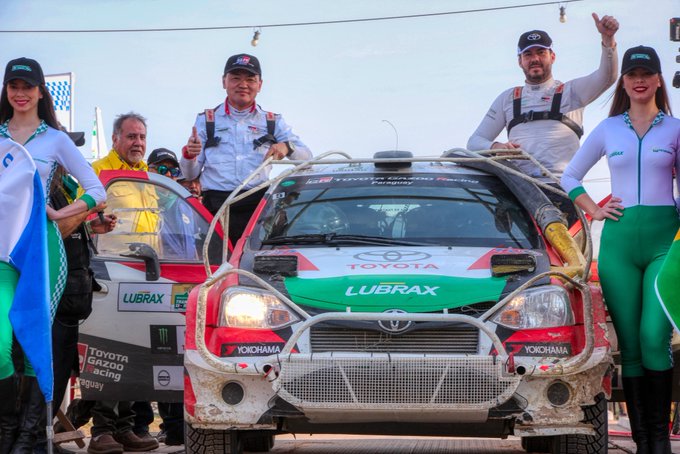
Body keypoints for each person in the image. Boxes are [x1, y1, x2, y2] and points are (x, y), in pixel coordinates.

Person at [561, 45, 680, 454]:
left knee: (653, 337)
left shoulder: (676, 129)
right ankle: (643, 441)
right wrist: (593, 208)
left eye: (647, 72)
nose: (639, 79)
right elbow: (570, 175)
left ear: (659, 80)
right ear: (625, 82)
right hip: (619, 244)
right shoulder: (609, 128)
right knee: (629, 345)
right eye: (632, 73)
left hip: (665, 241)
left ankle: (660, 441)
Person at [0, 57, 107, 453]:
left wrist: (61, 212)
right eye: (14, 85)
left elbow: (98, 190)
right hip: (0, 253)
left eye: (29, 86)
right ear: (6, 90)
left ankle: (27, 439)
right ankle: (6, 431)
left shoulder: (56, 141)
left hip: (40, 251)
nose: (21, 92)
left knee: (33, 342)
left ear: (41, 92)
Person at [180, 53, 312, 247]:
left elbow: (306, 158)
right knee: (214, 269)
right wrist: (189, 154)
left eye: (250, 79)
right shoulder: (207, 120)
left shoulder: (272, 121)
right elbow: (189, 173)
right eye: (235, 78)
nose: (243, 85)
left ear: (260, 84)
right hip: (216, 207)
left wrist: (287, 146)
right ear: (224, 82)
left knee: (257, 267)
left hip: (257, 207)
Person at [85, 113, 159, 454]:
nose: (138, 143)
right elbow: (83, 215)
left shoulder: (148, 177)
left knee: (134, 354)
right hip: (109, 276)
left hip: (147, 277)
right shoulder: (98, 171)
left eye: (142, 137)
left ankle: (127, 429)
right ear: (116, 138)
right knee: (108, 354)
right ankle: (102, 431)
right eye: (131, 136)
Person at [467, 13, 619, 178]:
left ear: (552, 57)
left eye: (541, 52)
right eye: (528, 54)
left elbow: (607, 77)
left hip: (563, 187)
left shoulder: (572, 92)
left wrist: (608, 40)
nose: (535, 59)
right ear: (520, 61)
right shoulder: (508, 98)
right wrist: (496, 147)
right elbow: (474, 142)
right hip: (521, 190)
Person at [131, 148, 187, 447]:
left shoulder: (184, 206)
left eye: (170, 170)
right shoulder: (140, 202)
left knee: (172, 358)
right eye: (159, 169)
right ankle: (140, 425)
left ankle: (175, 426)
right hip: (140, 287)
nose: (166, 175)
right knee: (139, 356)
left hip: (175, 288)